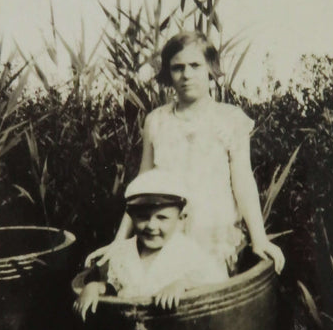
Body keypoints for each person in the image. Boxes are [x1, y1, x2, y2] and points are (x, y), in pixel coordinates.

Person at [88, 30, 285, 275]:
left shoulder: (230, 119)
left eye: (195, 65)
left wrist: (259, 239)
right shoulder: (156, 121)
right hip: (168, 238)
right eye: (178, 67)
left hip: (215, 238)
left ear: (210, 69)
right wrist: (119, 242)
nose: (187, 75)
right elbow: (141, 188)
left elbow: (243, 181)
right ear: (168, 74)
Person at [75, 169, 227, 318]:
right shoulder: (122, 252)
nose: (151, 226)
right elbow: (115, 287)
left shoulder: (188, 252)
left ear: (181, 218)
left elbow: (217, 283)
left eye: (162, 218)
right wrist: (94, 287)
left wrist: (182, 284)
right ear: (131, 216)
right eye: (142, 217)